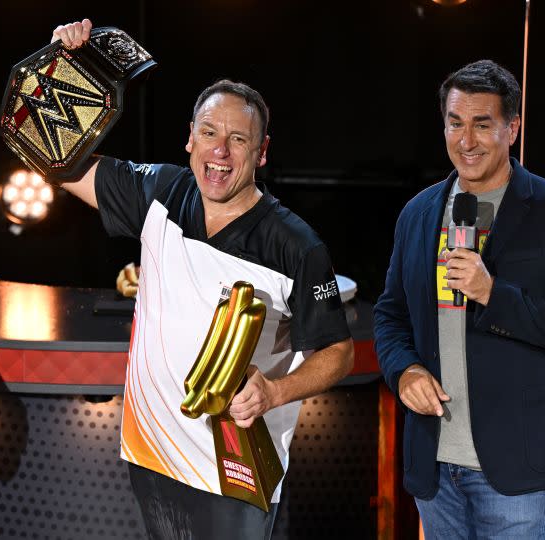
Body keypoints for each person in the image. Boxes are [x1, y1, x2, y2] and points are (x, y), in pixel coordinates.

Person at [48, 19, 354, 540]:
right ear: (189, 139)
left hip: (235, 473)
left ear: (261, 153)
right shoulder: (160, 193)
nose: (221, 151)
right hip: (152, 452)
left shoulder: (297, 246)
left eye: (239, 140)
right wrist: (65, 73)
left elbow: (338, 353)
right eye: (210, 133)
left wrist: (275, 393)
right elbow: (57, 162)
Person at [374, 59, 545, 539]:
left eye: (483, 125)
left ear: (512, 128)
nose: (466, 140)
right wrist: (405, 371)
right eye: (455, 124)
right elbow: (391, 316)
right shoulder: (418, 214)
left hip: (516, 473)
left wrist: (492, 294)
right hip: (435, 469)